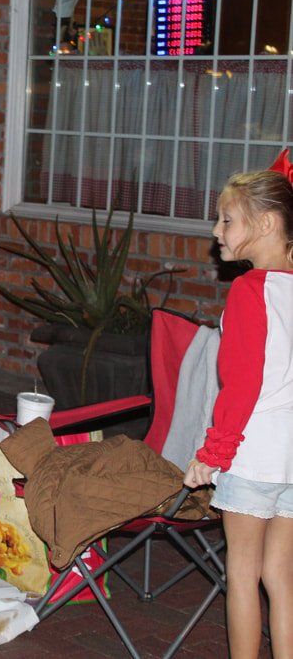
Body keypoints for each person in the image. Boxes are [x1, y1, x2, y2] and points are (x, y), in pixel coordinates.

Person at [184, 169, 293, 659]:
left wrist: (212, 453)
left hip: (255, 457)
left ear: (267, 224)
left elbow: (242, 384)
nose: (216, 231)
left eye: (226, 220)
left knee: (243, 574)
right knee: (281, 574)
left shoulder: (251, 290)